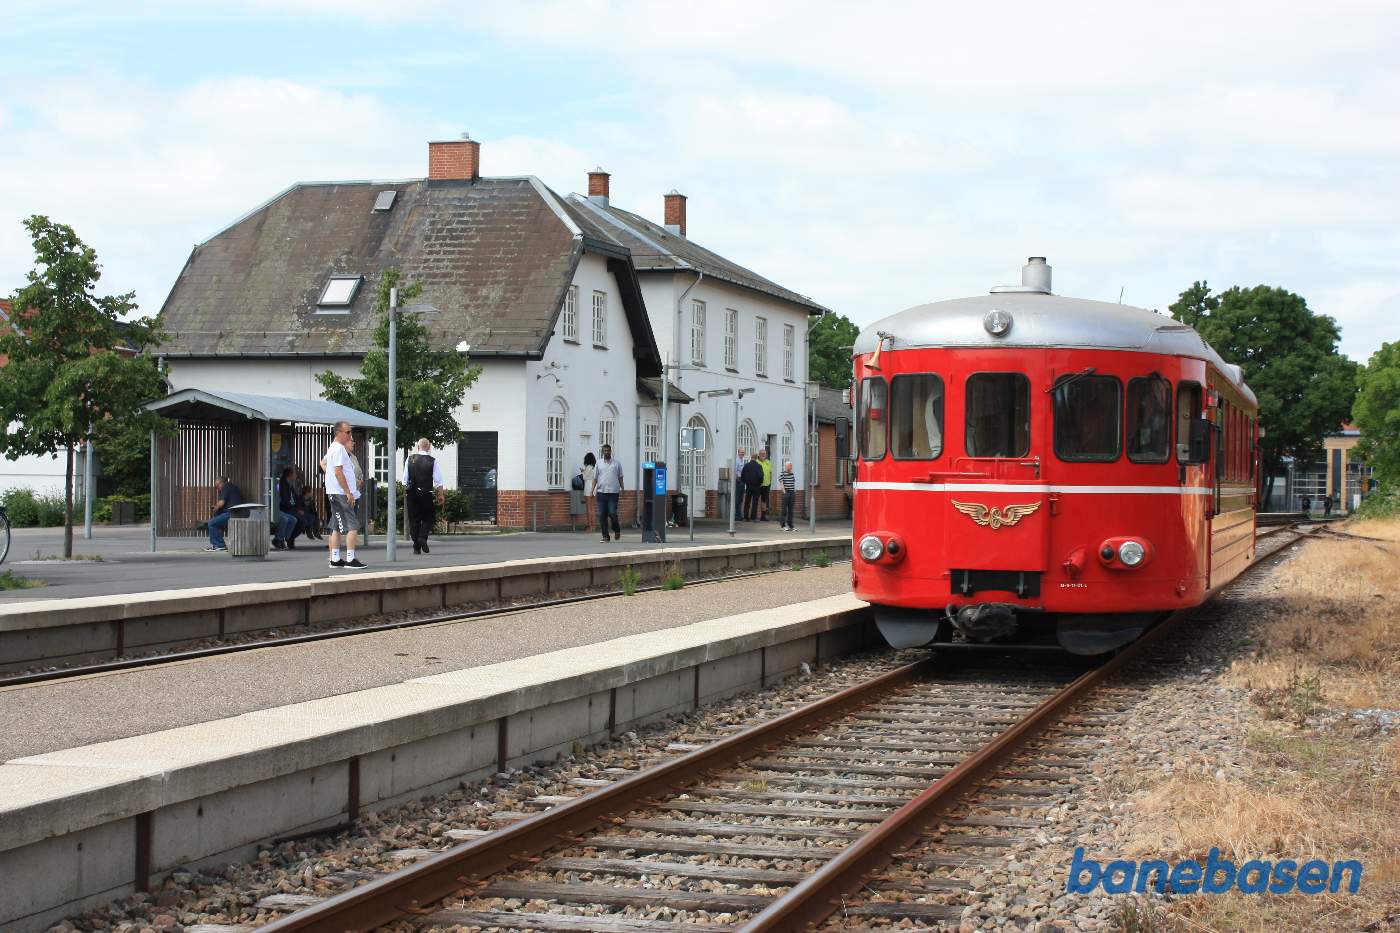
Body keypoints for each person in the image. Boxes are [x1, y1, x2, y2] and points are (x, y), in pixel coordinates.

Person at [321, 420, 366, 569]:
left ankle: (335, 558)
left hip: (335, 492)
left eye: (351, 432)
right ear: (338, 433)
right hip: (340, 493)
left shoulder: (333, 447)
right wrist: (348, 492)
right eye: (347, 432)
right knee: (352, 526)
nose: (350, 435)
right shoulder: (339, 449)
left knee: (336, 526)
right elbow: (338, 472)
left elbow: (328, 466)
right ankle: (350, 559)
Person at [402, 438, 446, 555]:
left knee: (414, 519)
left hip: (411, 493)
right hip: (426, 492)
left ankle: (416, 546)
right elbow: (438, 481)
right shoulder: (432, 461)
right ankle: (422, 537)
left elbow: (404, 479)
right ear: (429, 447)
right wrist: (440, 495)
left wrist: (406, 491)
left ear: (418, 447)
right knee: (429, 517)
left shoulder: (409, 459)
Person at [594, 443, 625, 542]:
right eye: (605, 451)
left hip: (613, 493)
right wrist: (591, 491)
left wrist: (623, 489)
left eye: (608, 451)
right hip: (601, 492)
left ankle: (616, 530)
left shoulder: (617, 463)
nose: (606, 452)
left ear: (611, 452)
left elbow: (620, 477)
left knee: (612, 513)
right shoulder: (598, 463)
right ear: (602, 452)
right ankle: (605, 536)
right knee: (602, 515)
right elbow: (595, 478)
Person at [204, 476, 243, 551]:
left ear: (221, 483)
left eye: (217, 486)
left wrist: (216, 507)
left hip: (232, 514)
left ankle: (219, 545)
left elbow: (221, 503)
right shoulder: (232, 487)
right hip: (236, 513)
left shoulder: (226, 487)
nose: (218, 489)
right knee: (215, 520)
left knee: (212, 523)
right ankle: (218, 544)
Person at [273, 466, 305, 550]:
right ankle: (280, 539)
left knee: (294, 519)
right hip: (284, 509)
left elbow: (294, 498)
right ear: (290, 475)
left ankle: (285, 538)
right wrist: (294, 508)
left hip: (289, 508)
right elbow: (284, 500)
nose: (296, 475)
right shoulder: (282, 484)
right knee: (287, 519)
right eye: (294, 474)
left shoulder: (289, 484)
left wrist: (298, 507)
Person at [740, 455, 764, 521]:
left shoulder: (746, 465)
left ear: (751, 457)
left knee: (747, 501)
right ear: (756, 458)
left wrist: (745, 482)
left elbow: (742, 476)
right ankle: (753, 517)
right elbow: (761, 476)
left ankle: (745, 517)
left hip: (748, 486)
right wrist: (760, 482)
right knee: (755, 502)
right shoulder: (758, 466)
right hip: (756, 486)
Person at [580, 452, 597, 530]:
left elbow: (584, 477)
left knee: (588, 507)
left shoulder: (588, 467)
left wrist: (582, 471)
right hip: (594, 487)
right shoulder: (594, 467)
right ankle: (593, 525)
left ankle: (589, 525)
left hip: (588, 486)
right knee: (593, 507)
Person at [778, 460, 797, 531]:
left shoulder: (792, 474)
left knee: (791, 510)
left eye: (791, 466)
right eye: (790, 466)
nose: (791, 467)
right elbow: (781, 484)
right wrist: (784, 492)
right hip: (786, 492)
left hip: (792, 492)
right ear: (786, 466)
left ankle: (790, 525)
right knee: (784, 510)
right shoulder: (782, 474)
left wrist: (794, 491)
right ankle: (783, 525)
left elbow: (793, 483)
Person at [757, 449, 773, 521]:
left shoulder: (768, 462)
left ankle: (763, 516)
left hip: (766, 484)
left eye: (764, 454)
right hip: (758, 484)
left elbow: (770, 473)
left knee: (764, 500)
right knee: (756, 499)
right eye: (762, 453)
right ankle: (755, 516)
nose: (763, 455)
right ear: (759, 454)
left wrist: (770, 482)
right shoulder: (757, 462)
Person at [733, 447, 747, 521]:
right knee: (737, 499)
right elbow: (735, 471)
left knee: (741, 499)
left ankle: (739, 515)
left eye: (743, 452)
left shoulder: (742, 460)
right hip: (738, 480)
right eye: (741, 452)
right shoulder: (737, 460)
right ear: (738, 453)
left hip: (742, 480)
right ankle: (736, 515)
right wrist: (738, 480)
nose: (742, 453)